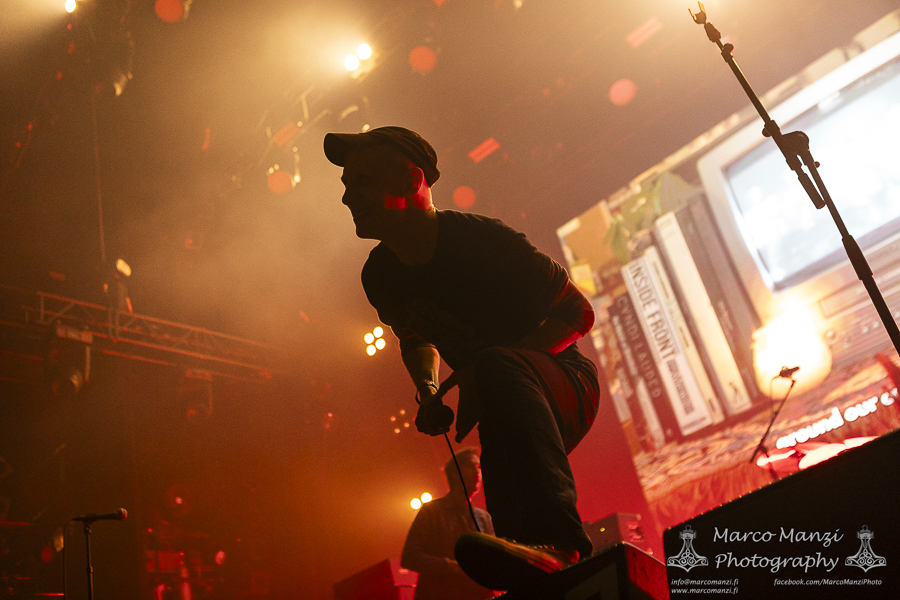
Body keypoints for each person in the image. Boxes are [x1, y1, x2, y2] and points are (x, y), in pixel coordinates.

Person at [324, 126, 600, 592]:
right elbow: (414, 336)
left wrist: (488, 367)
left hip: (565, 382)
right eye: (346, 185)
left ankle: (562, 543)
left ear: (411, 180)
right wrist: (429, 390)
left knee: (495, 368)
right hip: (497, 393)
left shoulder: (485, 242)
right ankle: (527, 565)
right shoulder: (381, 275)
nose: (348, 198)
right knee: (515, 546)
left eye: (362, 182)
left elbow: (578, 313)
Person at [401, 448, 496, 600]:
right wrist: (452, 567)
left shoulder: (483, 517)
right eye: (470, 466)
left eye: (478, 467)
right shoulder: (431, 511)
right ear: (454, 474)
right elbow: (410, 557)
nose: (477, 472)